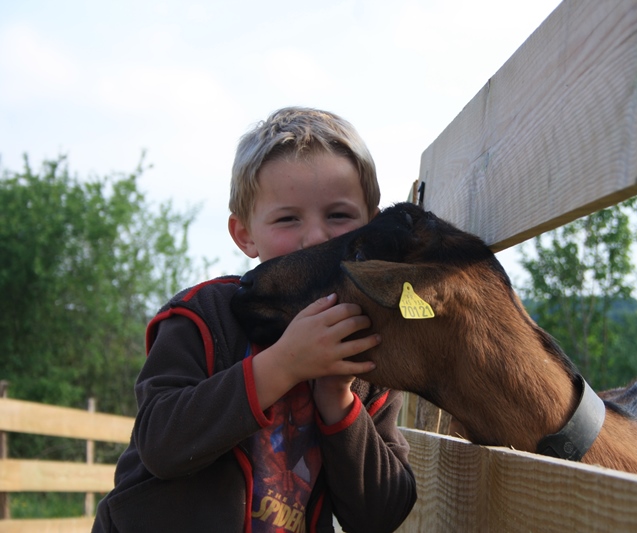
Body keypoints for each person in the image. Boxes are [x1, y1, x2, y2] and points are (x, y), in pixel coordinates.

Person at [92, 107, 417, 533]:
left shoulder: (368, 351)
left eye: (338, 215)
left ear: (370, 225)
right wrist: (283, 365)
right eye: (288, 218)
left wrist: (337, 398)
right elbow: (160, 444)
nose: (316, 236)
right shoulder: (203, 316)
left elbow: (381, 515)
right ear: (245, 234)